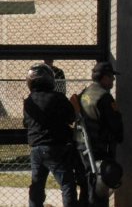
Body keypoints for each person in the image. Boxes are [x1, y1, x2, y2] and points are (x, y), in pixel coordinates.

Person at [25, 63, 79, 207]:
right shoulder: (58, 97)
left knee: (37, 185)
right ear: (49, 80)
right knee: (67, 183)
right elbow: (71, 117)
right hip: (56, 147)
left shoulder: (29, 101)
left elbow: (26, 123)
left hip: (36, 148)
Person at [78, 61, 123, 207]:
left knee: (87, 184)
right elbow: (115, 123)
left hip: (83, 146)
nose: (113, 80)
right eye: (111, 77)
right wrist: (118, 137)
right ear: (103, 78)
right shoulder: (104, 97)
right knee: (100, 186)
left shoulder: (85, 93)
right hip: (100, 147)